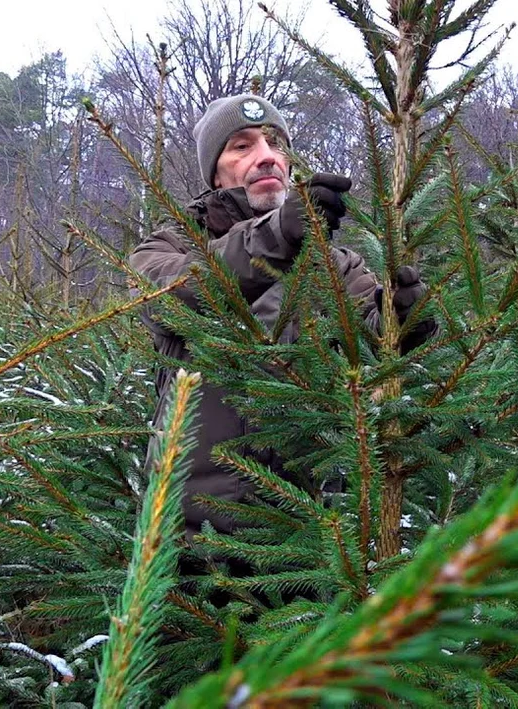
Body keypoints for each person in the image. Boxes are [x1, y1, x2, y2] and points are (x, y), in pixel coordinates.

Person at [129, 94, 434, 540]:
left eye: (275, 143)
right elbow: (179, 296)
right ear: (214, 172)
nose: (267, 156)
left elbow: (376, 337)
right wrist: (277, 236)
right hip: (189, 535)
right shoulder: (167, 248)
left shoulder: (335, 264)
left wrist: (406, 315)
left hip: (309, 539)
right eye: (242, 145)